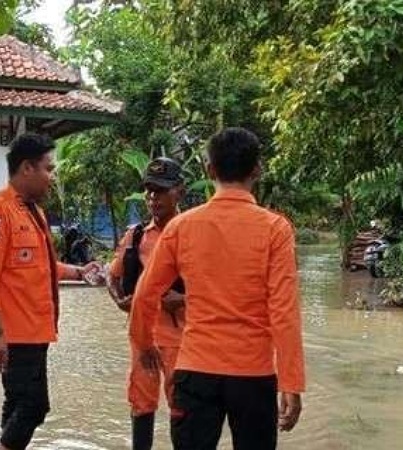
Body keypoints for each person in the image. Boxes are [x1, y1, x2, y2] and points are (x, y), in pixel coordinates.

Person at [129, 128, 306, 450]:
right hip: (254, 374)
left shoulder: (182, 227)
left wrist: (143, 345)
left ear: (210, 170)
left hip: (195, 370)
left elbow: (144, 295)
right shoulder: (275, 229)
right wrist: (292, 383)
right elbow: (284, 312)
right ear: (257, 170)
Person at [0, 133, 102, 450]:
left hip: (36, 331)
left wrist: (78, 272)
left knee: (18, 403)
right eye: (48, 168)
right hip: (15, 334)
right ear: (27, 168)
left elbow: (41, 266)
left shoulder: (33, 212)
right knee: (33, 407)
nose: (52, 176)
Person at [107, 157, 186, 449]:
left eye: (161, 190)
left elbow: (223, 291)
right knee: (141, 404)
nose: (153, 198)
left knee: (182, 407)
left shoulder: (193, 232)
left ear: (180, 191)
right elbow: (111, 275)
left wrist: (184, 299)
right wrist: (120, 301)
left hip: (183, 340)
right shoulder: (136, 235)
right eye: (149, 191)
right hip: (143, 339)